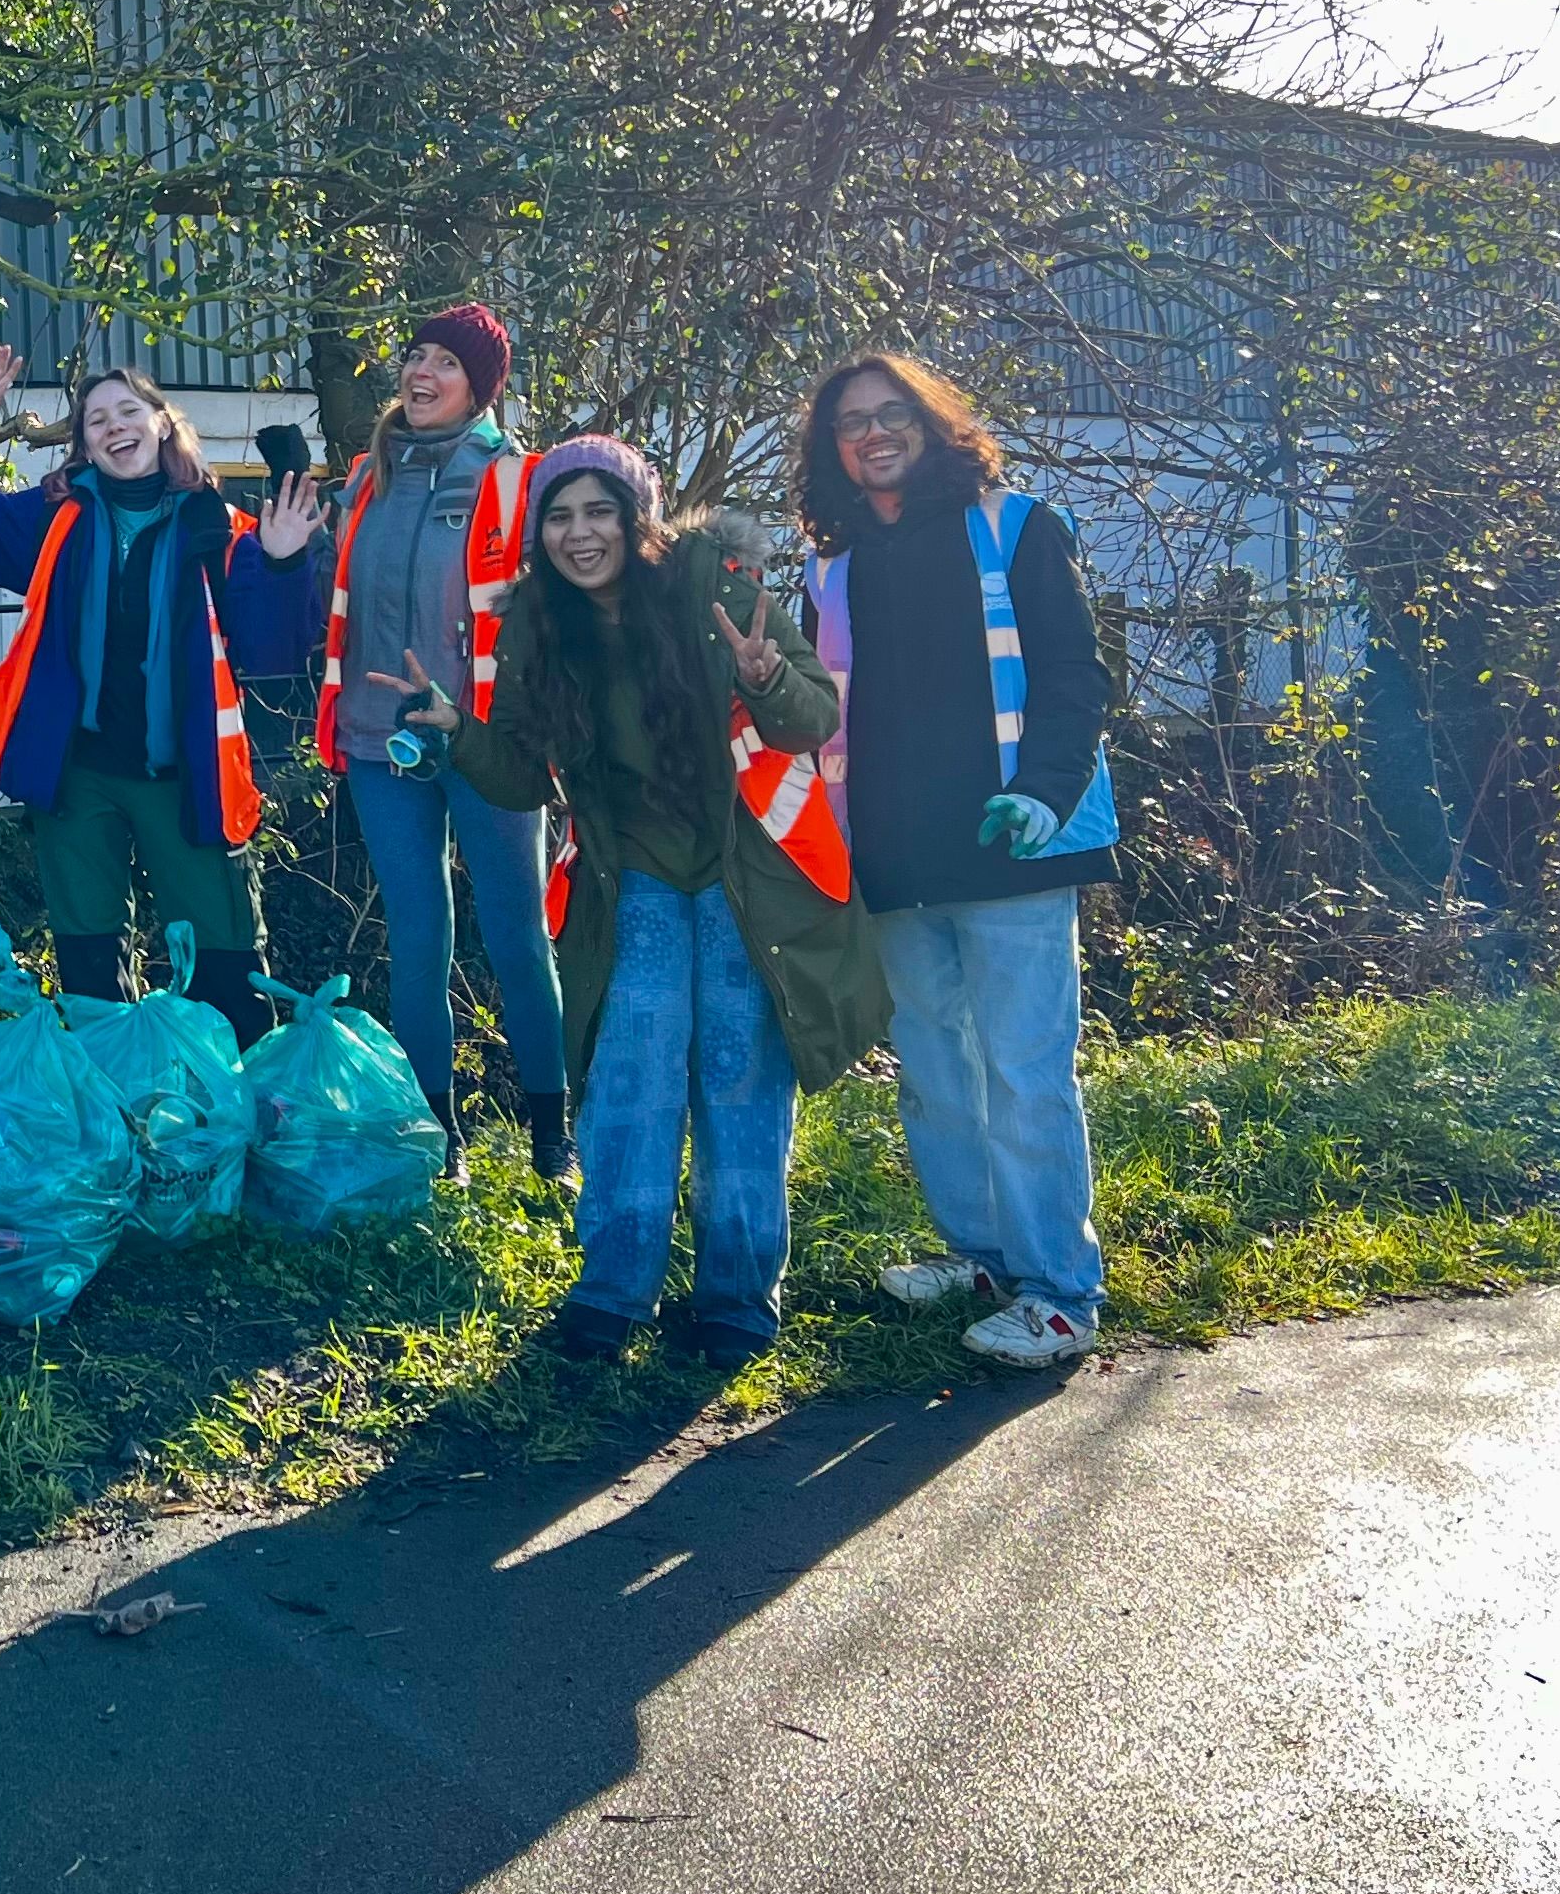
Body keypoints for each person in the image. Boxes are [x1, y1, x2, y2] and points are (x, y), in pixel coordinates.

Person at [420, 437, 887, 1365]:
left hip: (741, 872)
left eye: (600, 511)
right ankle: (614, 1290)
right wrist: (456, 733)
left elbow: (812, 719)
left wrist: (762, 675)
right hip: (629, 877)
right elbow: (521, 778)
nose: (579, 533)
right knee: (630, 1077)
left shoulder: (714, 581)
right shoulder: (537, 624)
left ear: (640, 518)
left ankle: (738, 1302)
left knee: (739, 1077)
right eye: (558, 515)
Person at [798, 352, 1118, 1371]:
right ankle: (981, 1258)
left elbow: (1075, 677)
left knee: (1026, 1072)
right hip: (891, 860)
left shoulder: (1016, 528)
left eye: (894, 414)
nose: (874, 433)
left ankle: (1060, 1295)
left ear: (934, 424)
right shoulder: (832, 568)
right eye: (853, 422)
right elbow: (817, 718)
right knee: (936, 1073)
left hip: (1011, 848)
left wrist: (1044, 793)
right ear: (832, 450)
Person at [0, 343, 323, 1044]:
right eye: (95, 420)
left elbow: (270, 652)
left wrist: (286, 559)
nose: (114, 427)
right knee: (90, 965)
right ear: (84, 442)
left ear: (162, 424)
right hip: (78, 776)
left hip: (188, 777)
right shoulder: (58, 516)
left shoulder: (217, 525)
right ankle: (120, 1121)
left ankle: (236, 1116)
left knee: (225, 961)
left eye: (128, 411)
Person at [313, 303, 575, 1184]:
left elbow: (589, 564)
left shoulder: (519, 479)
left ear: (481, 386)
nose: (420, 373)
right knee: (417, 932)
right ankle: (440, 1136)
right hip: (379, 739)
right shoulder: (363, 480)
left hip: (486, 741)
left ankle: (553, 1136)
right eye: (415, 356)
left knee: (516, 933)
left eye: (445, 364)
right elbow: (322, 591)